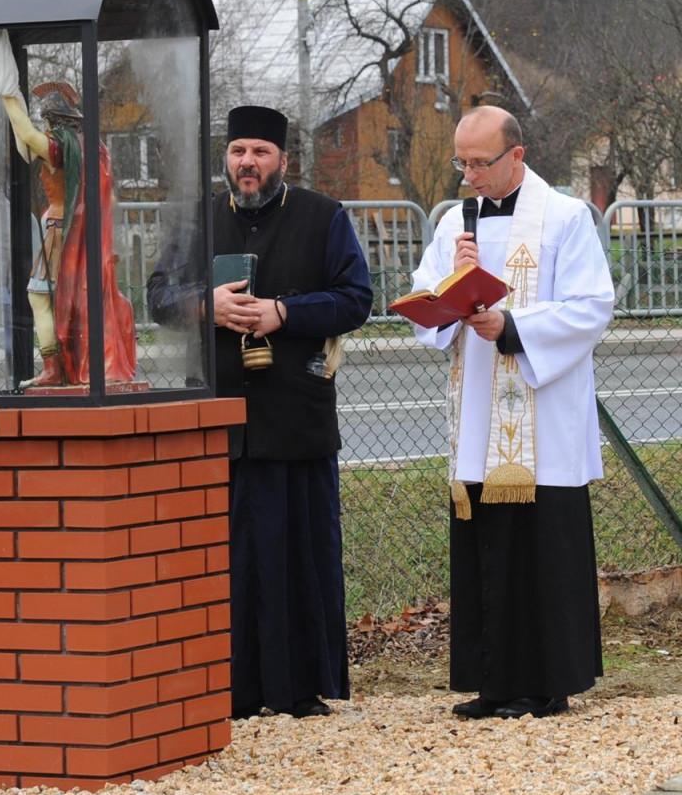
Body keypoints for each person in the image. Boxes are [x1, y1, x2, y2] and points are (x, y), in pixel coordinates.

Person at [148, 105, 372, 718]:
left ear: (283, 160)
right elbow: (158, 296)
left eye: (261, 152)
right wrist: (205, 306)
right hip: (216, 416)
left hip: (293, 419)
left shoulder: (323, 217)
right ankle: (229, 689)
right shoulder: (199, 219)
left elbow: (356, 299)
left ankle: (298, 689)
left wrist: (284, 313)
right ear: (227, 157)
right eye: (239, 151)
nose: (248, 163)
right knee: (226, 560)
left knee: (296, 558)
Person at [409, 106, 614, 719]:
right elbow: (426, 294)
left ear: (516, 155)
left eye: (480, 162)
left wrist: (512, 327)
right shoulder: (455, 223)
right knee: (487, 550)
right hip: (478, 413)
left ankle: (546, 683)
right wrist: (449, 290)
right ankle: (494, 681)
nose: (468, 174)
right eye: (462, 162)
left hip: (542, 416)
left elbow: (591, 306)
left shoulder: (565, 217)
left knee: (539, 549)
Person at [0, 31, 137, 387]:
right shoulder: (93, 148)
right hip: (71, 230)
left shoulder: (62, 146)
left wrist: (8, 97)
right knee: (64, 300)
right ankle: (61, 367)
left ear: (53, 120)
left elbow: (27, 136)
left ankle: (53, 368)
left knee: (40, 296)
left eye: (45, 120)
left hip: (60, 231)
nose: (44, 127)